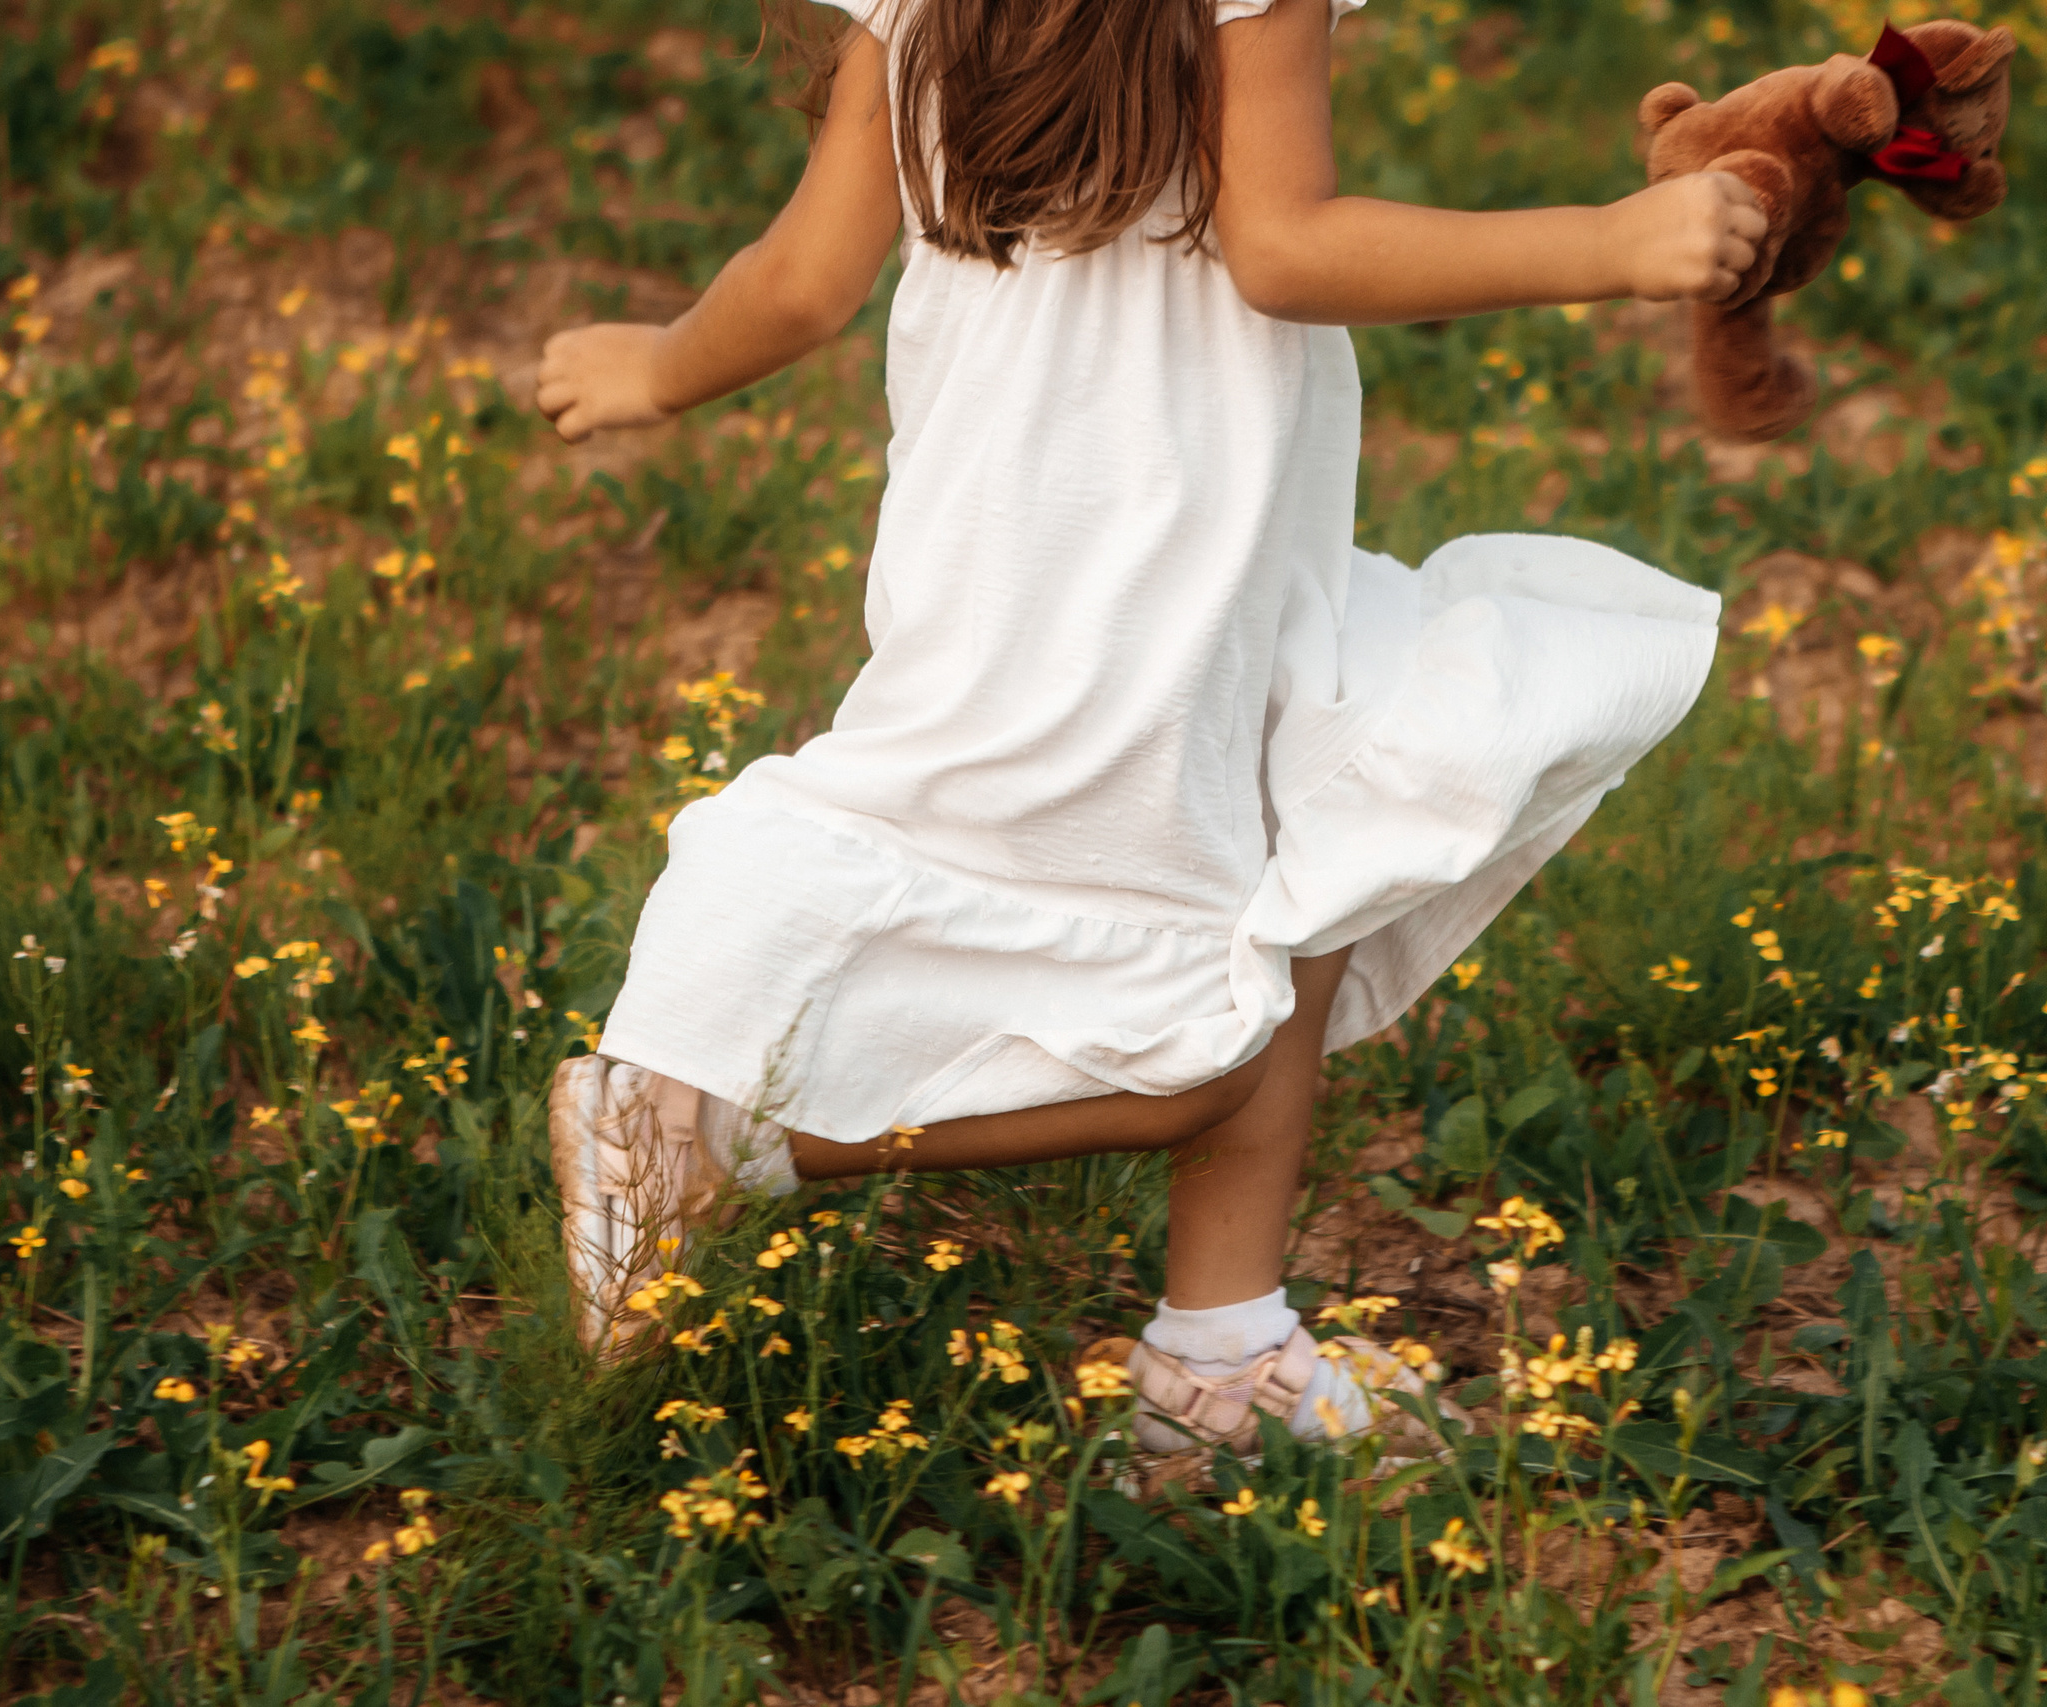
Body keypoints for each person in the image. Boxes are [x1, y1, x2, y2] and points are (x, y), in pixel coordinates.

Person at [532, 0, 1751, 1460]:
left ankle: (1220, 1353)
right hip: (1137, 576)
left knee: (1310, 819)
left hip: (1095, 544)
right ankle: (704, 1137)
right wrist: (1606, 247)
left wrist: (660, 367)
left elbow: (802, 281)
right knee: (1195, 1058)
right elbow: (1285, 246)